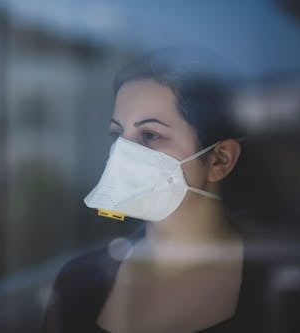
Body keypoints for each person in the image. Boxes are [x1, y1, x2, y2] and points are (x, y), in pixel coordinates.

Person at [41, 48, 269, 333]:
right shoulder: (77, 281)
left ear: (219, 159)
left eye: (149, 135)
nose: (122, 153)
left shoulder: (278, 287)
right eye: (117, 134)